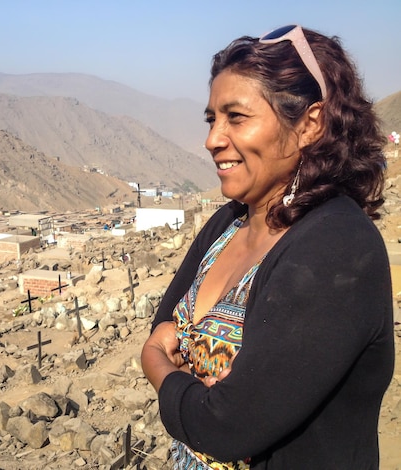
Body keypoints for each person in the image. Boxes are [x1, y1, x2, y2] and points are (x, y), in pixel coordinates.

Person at [141, 25, 394, 469]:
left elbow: (225, 425)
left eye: (235, 117)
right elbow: (166, 322)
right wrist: (172, 361)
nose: (212, 139)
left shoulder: (336, 248)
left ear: (309, 125)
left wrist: (157, 367)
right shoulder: (231, 221)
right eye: (211, 118)